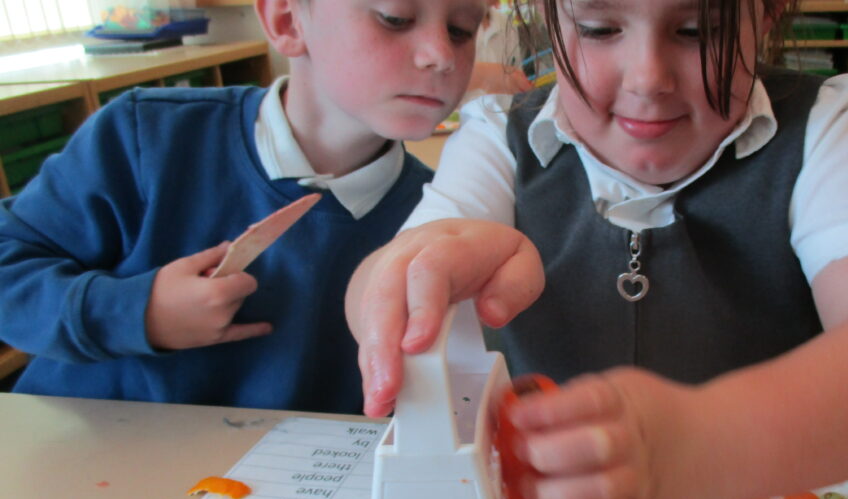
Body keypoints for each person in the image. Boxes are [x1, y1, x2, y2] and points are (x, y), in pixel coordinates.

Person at [346, 0, 848, 499]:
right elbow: (391, 277)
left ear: (770, 13)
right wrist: (402, 279)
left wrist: (705, 443)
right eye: (598, 28)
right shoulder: (496, 139)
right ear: (548, 16)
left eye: (698, 31)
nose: (647, 78)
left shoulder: (826, 131)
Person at [0, 0, 490, 412]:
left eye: (461, 29)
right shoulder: (146, 138)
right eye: (395, 18)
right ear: (286, 21)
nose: (440, 55)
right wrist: (138, 313)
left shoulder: (439, 225)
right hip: (80, 470)